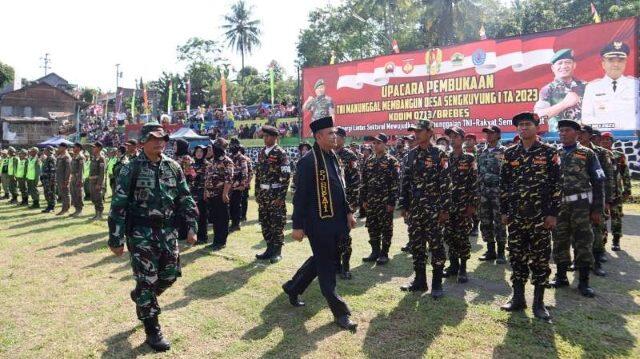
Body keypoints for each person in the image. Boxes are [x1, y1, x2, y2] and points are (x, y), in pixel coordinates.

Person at [107, 122, 198, 352]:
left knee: (169, 275)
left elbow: (185, 198)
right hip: (140, 234)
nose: (160, 142)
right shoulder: (131, 169)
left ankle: (141, 295)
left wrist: (192, 226)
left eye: (163, 139)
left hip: (168, 232)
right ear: (143, 141)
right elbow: (118, 205)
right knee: (147, 280)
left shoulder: (173, 167)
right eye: (154, 139)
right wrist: (116, 239)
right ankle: (152, 328)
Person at [282, 116, 357, 331]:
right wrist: (297, 225)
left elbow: (341, 189)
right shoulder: (308, 162)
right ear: (319, 136)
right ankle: (341, 313)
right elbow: (300, 196)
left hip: (337, 222)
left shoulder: (333, 156)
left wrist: (349, 212)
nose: (335, 136)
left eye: (335, 132)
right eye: (331, 133)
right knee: (327, 268)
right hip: (318, 224)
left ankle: (293, 287)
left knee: (324, 259)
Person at [499, 112, 561, 321]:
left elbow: (557, 185)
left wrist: (553, 214)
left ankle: (539, 303)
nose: (523, 128)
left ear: (536, 127)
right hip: (516, 216)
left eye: (527, 124)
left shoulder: (549, 152)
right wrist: (505, 211)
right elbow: (504, 184)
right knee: (516, 256)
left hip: (540, 218)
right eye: (520, 125)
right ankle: (518, 298)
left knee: (540, 259)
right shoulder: (510, 154)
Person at [550, 119, 604, 299]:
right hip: (560, 206)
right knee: (559, 240)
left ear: (576, 133)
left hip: (581, 206)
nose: (563, 133)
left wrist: (597, 209)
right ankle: (561, 276)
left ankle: (584, 281)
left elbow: (598, 182)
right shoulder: (554, 153)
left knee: (583, 242)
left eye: (566, 130)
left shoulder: (587, 153)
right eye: (561, 131)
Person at [399, 119, 450, 298]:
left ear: (430, 132)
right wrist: (404, 206)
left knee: (436, 246)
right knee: (417, 245)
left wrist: (444, 210)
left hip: (434, 210)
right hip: (415, 209)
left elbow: (446, 184)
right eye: (415, 131)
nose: (416, 134)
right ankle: (420, 281)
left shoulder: (440, 154)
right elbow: (405, 182)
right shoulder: (410, 155)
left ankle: (436, 283)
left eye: (420, 131)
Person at [442, 126, 478, 283]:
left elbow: (474, 183)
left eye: (456, 136)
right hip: (448, 205)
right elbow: (441, 182)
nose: (452, 139)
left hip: (464, 205)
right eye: (450, 136)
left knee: (462, 236)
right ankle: (453, 265)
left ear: (462, 139)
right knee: (449, 235)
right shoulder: (445, 157)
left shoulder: (470, 158)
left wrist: (472, 205)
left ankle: (463, 268)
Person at [578, 125, 614, 276]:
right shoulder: (573, 150)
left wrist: (606, 201)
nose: (579, 135)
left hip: (596, 198)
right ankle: (579, 262)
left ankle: (597, 261)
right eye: (578, 132)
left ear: (590, 135)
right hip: (578, 200)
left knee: (596, 231)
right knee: (579, 232)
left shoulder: (601, 152)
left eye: (583, 133)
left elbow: (607, 178)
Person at [360, 133, 399, 266]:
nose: (375, 145)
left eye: (378, 143)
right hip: (371, 201)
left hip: (385, 201)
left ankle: (384, 253)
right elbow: (364, 181)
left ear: (385, 144)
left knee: (386, 227)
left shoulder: (391, 161)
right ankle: (375, 251)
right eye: (374, 143)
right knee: (372, 226)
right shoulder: (369, 160)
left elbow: (395, 183)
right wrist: (364, 199)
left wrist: (392, 202)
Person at [582, 41, 639, 132]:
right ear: (603, 63)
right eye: (611, 60)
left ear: (625, 63)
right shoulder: (592, 87)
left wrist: (625, 130)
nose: (616, 64)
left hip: (632, 138)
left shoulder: (636, 85)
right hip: (601, 140)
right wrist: (608, 130)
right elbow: (586, 118)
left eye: (620, 61)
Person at [255, 125, 291, 264]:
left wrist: (280, 197)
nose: (265, 138)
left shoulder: (281, 153)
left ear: (275, 137)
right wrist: (257, 192)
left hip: (275, 194)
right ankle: (269, 249)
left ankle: (277, 252)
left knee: (277, 223)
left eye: (268, 136)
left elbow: (286, 176)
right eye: (264, 136)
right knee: (265, 222)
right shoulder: (261, 153)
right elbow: (258, 174)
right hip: (263, 194)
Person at [534, 48, 587, 132]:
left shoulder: (585, 86)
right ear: (553, 68)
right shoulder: (548, 89)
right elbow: (538, 116)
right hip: (559, 137)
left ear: (574, 65)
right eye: (560, 63)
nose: (564, 66)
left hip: (582, 135)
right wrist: (564, 104)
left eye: (568, 62)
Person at [477, 125, 507, 263]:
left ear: (498, 135)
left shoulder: (505, 152)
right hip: (483, 192)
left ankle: (501, 252)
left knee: (500, 222)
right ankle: (490, 250)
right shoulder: (481, 152)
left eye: (491, 133)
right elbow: (478, 172)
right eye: (486, 133)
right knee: (485, 221)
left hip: (498, 193)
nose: (488, 135)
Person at [335, 128, 361, 278]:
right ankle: (335, 265)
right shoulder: (328, 153)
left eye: (337, 136)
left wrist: (351, 207)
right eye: (332, 135)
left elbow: (355, 182)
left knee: (344, 237)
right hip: (332, 204)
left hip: (346, 204)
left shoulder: (349, 155)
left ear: (343, 138)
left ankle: (345, 267)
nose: (334, 138)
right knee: (333, 237)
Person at [599, 132, 631, 251]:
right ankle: (602, 241)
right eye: (603, 140)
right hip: (602, 193)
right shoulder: (597, 154)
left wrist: (627, 190)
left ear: (612, 141)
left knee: (616, 217)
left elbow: (625, 174)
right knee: (602, 218)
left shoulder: (619, 155)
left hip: (616, 192)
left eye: (608, 140)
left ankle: (616, 241)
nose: (605, 142)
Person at [205, 138, 234, 251]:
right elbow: (207, 178)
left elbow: (229, 179)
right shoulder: (212, 161)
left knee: (222, 218)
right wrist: (206, 192)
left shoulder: (227, 161)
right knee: (215, 218)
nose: (212, 149)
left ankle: (221, 241)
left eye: (214, 147)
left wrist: (225, 193)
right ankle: (216, 240)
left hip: (221, 194)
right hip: (212, 194)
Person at [190, 146, 209, 244]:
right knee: (195, 215)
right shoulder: (192, 164)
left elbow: (207, 180)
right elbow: (191, 177)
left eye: (201, 151)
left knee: (202, 216)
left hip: (202, 193)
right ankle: (196, 236)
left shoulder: (206, 164)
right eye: (197, 151)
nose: (199, 153)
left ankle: (203, 237)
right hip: (193, 193)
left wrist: (205, 193)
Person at [229, 142, 248, 232]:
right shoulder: (230, 157)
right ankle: (233, 222)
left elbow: (244, 173)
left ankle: (236, 224)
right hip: (230, 186)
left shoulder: (242, 158)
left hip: (238, 186)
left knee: (236, 205)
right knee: (231, 205)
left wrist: (242, 185)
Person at [89, 141, 106, 220]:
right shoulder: (94, 157)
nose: (93, 148)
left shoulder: (101, 158)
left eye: (94, 147)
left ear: (99, 148)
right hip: (92, 181)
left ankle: (100, 214)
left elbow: (102, 173)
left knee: (98, 198)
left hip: (97, 182)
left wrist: (99, 184)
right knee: (93, 198)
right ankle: (96, 214)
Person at [55, 143, 72, 215]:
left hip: (64, 179)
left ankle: (66, 209)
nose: (58, 148)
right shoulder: (60, 157)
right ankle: (63, 208)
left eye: (60, 147)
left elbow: (68, 170)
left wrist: (67, 180)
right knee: (62, 194)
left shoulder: (67, 157)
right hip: (59, 178)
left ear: (64, 148)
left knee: (66, 194)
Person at [69, 143, 86, 217]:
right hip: (73, 177)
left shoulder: (81, 157)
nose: (73, 148)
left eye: (74, 147)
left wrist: (80, 180)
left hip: (78, 177)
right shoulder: (74, 156)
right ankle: (76, 209)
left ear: (79, 148)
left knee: (79, 193)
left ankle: (79, 210)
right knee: (74, 193)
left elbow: (81, 170)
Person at [40, 146, 57, 213]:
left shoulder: (52, 158)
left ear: (49, 151)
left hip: (50, 180)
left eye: (46, 150)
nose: (44, 152)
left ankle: (51, 207)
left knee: (51, 194)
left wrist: (52, 180)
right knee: (47, 193)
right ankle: (49, 206)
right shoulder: (47, 158)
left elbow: (53, 170)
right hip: (46, 179)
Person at [239, 145, 252, 222]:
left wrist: (247, 183)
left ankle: (243, 216)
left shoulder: (247, 159)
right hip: (237, 185)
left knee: (244, 200)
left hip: (245, 184)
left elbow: (250, 172)